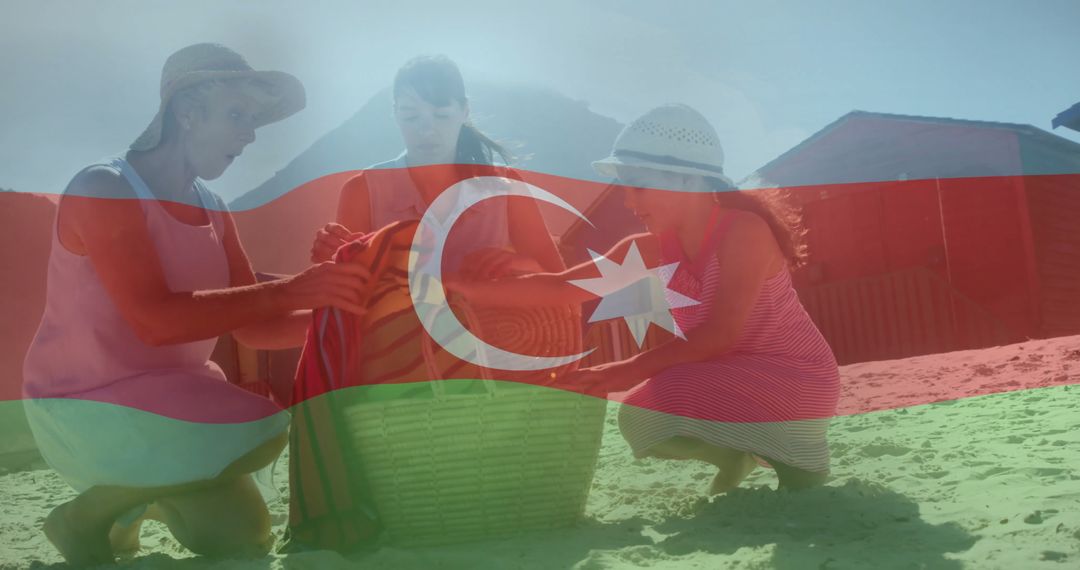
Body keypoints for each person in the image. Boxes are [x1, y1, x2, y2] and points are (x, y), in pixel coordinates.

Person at [21, 43, 370, 566]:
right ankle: (88, 513)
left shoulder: (213, 207)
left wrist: (347, 312)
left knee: (242, 538)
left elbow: (257, 328)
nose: (250, 134)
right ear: (186, 112)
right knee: (265, 427)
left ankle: (134, 503)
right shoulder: (104, 188)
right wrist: (297, 288)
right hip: (87, 402)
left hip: (174, 404)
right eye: (237, 115)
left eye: (254, 120)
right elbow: (156, 322)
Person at [450, 104, 841, 493]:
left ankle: (793, 455)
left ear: (688, 182)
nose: (628, 202)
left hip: (796, 377)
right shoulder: (650, 248)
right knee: (642, 419)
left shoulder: (744, 232)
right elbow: (562, 288)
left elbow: (720, 334)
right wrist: (459, 288)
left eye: (638, 186)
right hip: (729, 377)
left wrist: (621, 371)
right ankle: (734, 457)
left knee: (800, 484)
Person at [310, 55, 564, 278]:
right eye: (411, 116)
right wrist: (332, 260)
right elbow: (346, 292)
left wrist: (520, 265)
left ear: (465, 111)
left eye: (441, 115)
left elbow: (558, 278)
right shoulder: (362, 191)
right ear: (395, 114)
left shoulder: (505, 187)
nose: (426, 129)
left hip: (492, 331)